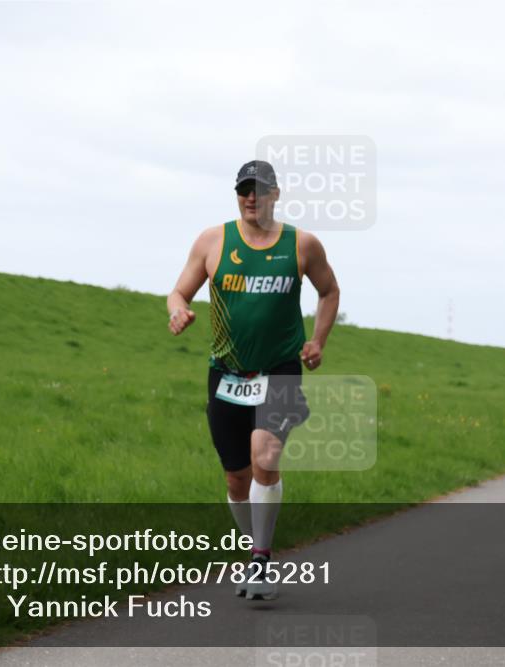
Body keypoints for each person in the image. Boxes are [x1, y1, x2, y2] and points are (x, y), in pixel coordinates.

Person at [167, 160, 340, 600]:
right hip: (225, 372)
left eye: (259, 189)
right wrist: (178, 311)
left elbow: (329, 290)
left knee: (265, 455)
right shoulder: (213, 241)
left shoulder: (301, 244)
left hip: (280, 368)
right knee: (235, 479)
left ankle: (261, 560)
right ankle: (254, 549)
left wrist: (317, 340)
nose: (250, 197)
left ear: (275, 195)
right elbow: (179, 290)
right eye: (244, 189)